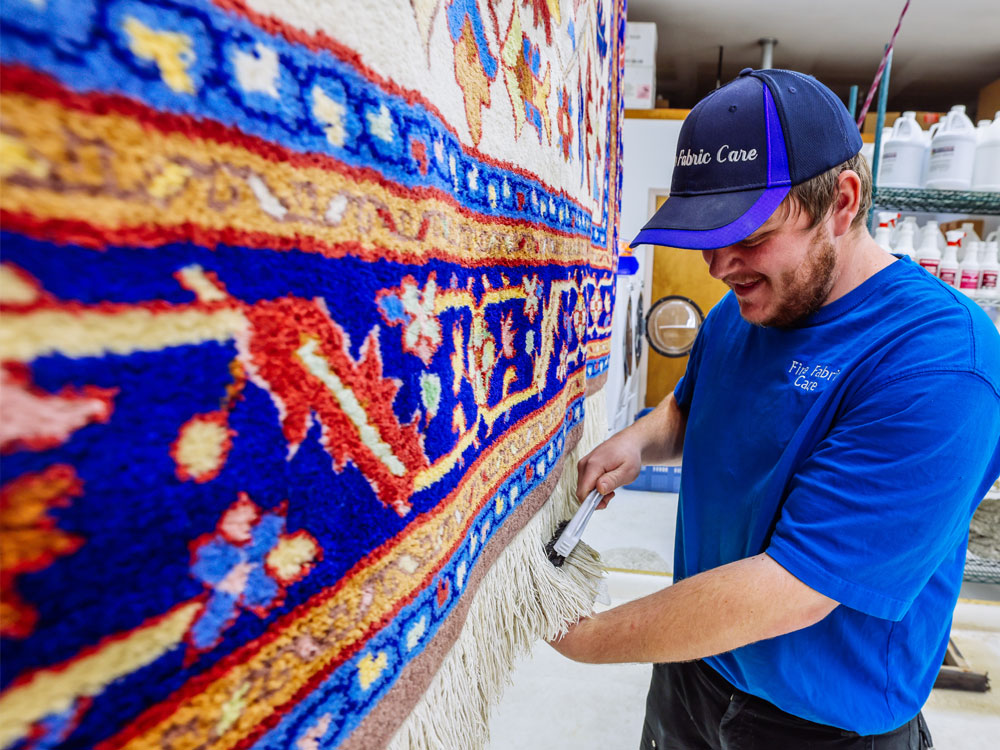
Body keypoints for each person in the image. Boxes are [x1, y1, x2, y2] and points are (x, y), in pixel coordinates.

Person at [549, 68, 1000, 750]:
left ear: (842, 203)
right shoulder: (743, 311)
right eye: (706, 238)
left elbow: (794, 588)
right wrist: (638, 443)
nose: (720, 267)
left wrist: (581, 636)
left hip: (821, 728)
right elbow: (690, 409)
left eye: (750, 236)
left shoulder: (939, 363)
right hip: (691, 674)